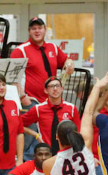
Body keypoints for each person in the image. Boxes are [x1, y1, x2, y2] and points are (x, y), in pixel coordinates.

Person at [11, 17, 74, 160]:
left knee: (46, 136)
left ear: (45, 30)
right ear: (29, 31)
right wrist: (22, 97)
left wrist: (70, 64)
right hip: (30, 100)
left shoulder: (53, 48)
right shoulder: (20, 51)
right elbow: (13, 78)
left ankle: (43, 165)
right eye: (33, 28)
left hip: (50, 101)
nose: (37, 31)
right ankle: (25, 164)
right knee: (29, 138)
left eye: (39, 28)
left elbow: (66, 60)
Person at [22, 77, 80, 155]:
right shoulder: (38, 109)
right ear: (46, 90)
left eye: (57, 86)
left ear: (62, 89)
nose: (55, 89)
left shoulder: (72, 108)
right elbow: (18, 124)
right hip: (46, 153)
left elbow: (78, 132)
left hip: (67, 153)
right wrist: (36, 135)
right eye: (52, 86)